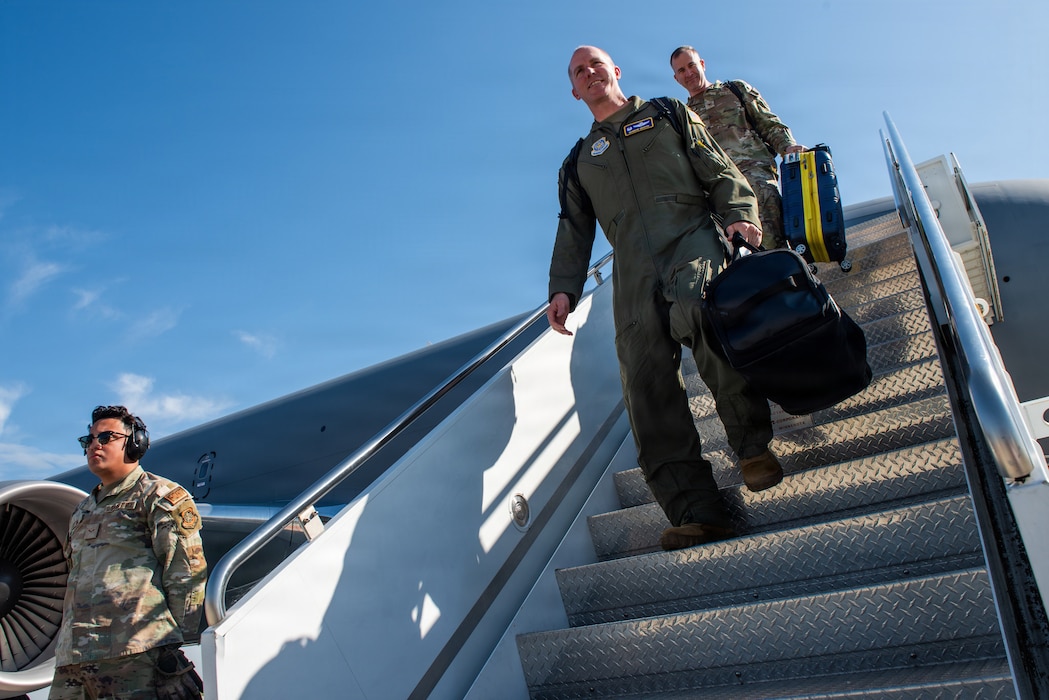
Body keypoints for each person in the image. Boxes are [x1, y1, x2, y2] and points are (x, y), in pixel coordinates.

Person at [548, 46, 783, 551]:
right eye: (578, 71)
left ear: (615, 71)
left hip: (690, 237)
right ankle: (696, 511)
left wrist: (741, 212)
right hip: (632, 267)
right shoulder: (579, 160)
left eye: (595, 64)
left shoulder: (667, 113)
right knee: (643, 379)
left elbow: (717, 166)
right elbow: (573, 229)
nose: (589, 73)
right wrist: (563, 288)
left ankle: (751, 447)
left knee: (705, 316)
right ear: (574, 91)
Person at [50, 405, 207, 700]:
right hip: (74, 659)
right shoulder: (82, 510)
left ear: (136, 443)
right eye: (89, 440)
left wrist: (170, 644)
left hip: (136, 653)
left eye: (106, 437)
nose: (95, 445)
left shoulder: (158, 495)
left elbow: (186, 571)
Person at [670, 45, 804, 250]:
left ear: (702, 64)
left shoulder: (734, 90)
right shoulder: (683, 117)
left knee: (774, 247)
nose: (688, 73)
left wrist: (788, 148)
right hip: (720, 195)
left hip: (756, 181)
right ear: (676, 78)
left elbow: (768, 124)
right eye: (681, 70)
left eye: (691, 65)